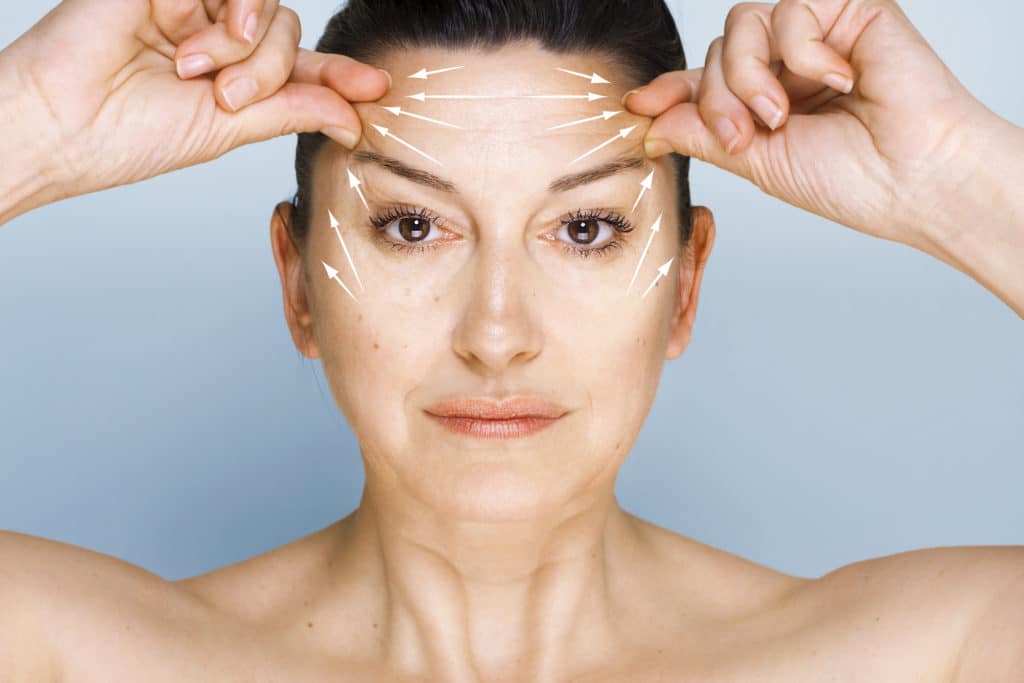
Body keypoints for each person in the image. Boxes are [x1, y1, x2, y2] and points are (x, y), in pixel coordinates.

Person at [0, 0, 1021, 681]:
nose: (497, 334)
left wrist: (956, 180)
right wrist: (31, 122)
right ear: (297, 282)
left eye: (585, 229)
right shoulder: (66, 649)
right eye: (410, 225)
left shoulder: (938, 651)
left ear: (685, 287)